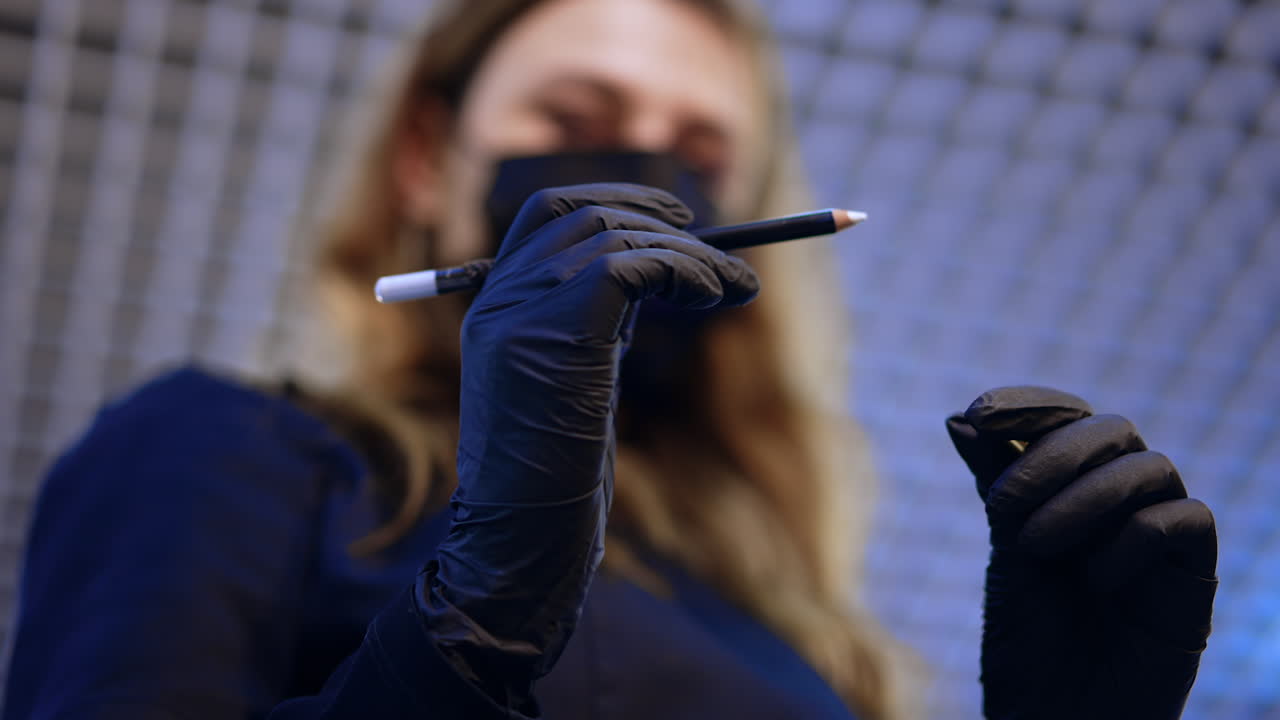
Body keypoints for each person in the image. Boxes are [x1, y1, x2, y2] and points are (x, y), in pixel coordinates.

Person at [4, 1, 1218, 719]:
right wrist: (472, 626)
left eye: (694, 148)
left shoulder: (804, 630)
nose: (640, 175)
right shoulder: (238, 450)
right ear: (427, 161)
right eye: (574, 124)